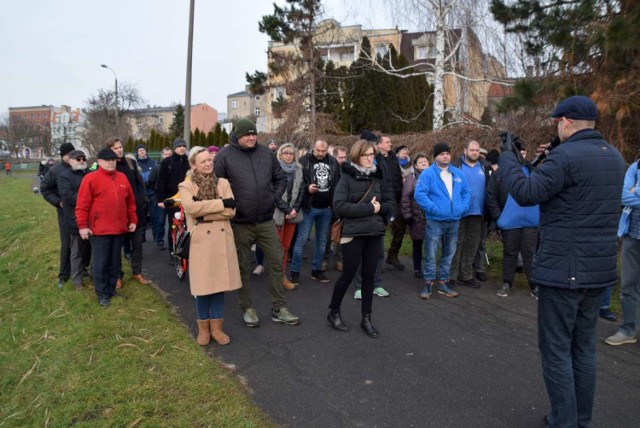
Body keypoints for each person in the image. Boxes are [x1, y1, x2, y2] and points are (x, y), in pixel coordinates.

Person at [498, 95, 625, 427]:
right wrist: (549, 154)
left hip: (564, 269)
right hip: (598, 270)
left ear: (565, 121)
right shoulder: (614, 156)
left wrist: (509, 159)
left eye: (556, 123)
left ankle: (563, 421)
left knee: (556, 351)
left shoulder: (566, 157)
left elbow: (526, 192)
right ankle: (580, 419)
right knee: (583, 349)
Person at [215, 118, 299, 327]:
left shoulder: (266, 153)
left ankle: (279, 307)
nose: (252, 137)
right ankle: (247, 308)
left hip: (265, 220)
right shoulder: (225, 155)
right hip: (240, 221)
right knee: (243, 265)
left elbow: (280, 178)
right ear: (237, 135)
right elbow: (216, 185)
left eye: (254, 134)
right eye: (247, 134)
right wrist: (230, 204)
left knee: (277, 259)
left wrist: (272, 197)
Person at [327, 139, 395, 338]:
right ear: (357, 155)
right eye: (365, 155)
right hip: (353, 234)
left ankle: (366, 318)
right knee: (348, 275)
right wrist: (369, 208)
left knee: (369, 277)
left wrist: (381, 208)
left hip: (374, 233)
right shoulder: (346, 178)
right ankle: (334, 312)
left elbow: (390, 201)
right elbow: (339, 206)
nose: (369, 158)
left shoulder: (378, 177)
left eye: (372, 155)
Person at [179, 146, 241, 346]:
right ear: (193, 164)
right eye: (203, 161)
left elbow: (231, 211)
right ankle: (203, 329)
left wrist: (204, 211)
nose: (208, 163)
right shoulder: (186, 186)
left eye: (209, 160)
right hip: (201, 242)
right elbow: (191, 208)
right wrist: (221, 204)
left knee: (219, 286)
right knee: (203, 287)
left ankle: (217, 328)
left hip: (222, 240)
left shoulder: (223, 182)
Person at [76, 148, 138, 307]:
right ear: (99, 162)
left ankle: (111, 290)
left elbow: (130, 202)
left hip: (119, 229)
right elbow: (82, 205)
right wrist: (83, 226)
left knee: (115, 262)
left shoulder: (122, 177)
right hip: (100, 230)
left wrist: (133, 220)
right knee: (101, 263)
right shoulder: (90, 179)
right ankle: (102, 294)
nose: (111, 162)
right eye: (107, 160)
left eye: (113, 159)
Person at [414, 142, 471, 299]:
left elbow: (467, 191)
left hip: (454, 220)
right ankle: (428, 284)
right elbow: (419, 195)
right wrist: (433, 209)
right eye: (442, 154)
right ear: (435, 157)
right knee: (431, 253)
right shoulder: (428, 174)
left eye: (447, 153)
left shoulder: (458, 173)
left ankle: (443, 283)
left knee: (449, 253)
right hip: (435, 221)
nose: (445, 156)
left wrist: (462, 207)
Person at [486, 148, 539, 297]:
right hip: (509, 221)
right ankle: (507, 284)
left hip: (530, 222)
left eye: (524, 153)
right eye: (519, 153)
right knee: (510, 253)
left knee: (529, 253)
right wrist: (499, 217)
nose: (522, 156)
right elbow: (491, 196)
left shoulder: (533, 171)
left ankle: (535, 286)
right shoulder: (500, 173)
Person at [289, 140, 340, 285]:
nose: (320, 153)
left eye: (323, 151)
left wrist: (334, 205)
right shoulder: (303, 161)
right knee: (302, 240)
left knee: (322, 241)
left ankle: (316, 270)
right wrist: (307, 188)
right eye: (318, 150)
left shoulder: (333, 162)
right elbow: (296, 182)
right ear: (313, 148)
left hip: (327, 208)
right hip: (308, 207)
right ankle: (295, 272)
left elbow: (337, 183)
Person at [605, 160, 640, 346]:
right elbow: (622, 196)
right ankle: (628, 329)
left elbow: (630, 194)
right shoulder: (636, 167)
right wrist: (631, 192)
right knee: (628, 286)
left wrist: (636, 190)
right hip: (632, 236)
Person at [450, 140, 493, 288]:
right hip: (459, 213)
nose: (475, 152)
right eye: (472, 150)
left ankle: (466, 275)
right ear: (465, 150)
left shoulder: (485, 167)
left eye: (477, 150)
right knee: (456, 244)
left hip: (478, 213)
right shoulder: (455, 166)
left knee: (472, 245)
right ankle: (451, 276)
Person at [107, 137, 149, 286]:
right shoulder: (109, 166)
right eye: (115, 148)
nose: (119, 150)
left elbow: (139, 183)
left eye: (120, 147)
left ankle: (137, 272)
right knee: (117, 247)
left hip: (135, 211)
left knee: (137, 244)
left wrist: (142, 200)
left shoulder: (131, 163)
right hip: (117, 214)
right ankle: (118, 275)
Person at [40, 142, 75, 288]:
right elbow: (45, 188)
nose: (71, 157)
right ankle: (64, 275)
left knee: (82, 244)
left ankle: (80, 269)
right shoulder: (55, 170)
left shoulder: (79, 167)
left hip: (81, 211)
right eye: (69, 155)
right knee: (66, 244)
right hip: (64, 212)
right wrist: (58, 202)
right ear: (63, 156)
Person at [272, 143, 305, 290]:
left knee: (285, 247)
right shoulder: (275, 169)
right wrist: (286, 210)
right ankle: (276, 276)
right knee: (277, 248)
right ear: (280, 154)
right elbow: (273, 193)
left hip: (293, 214)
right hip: (278, 213)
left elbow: (302, 190)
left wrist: (294, 210)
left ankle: (282, 276)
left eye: (291, 153)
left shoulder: (299, 170)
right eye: (285, 153)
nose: (288, 155)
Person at [58, 150, 91, 290]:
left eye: (83, 158)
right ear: (70, 161)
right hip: (74, 219)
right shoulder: (65, 177)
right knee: (76, 251)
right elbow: (68, 196)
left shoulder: (90, 174)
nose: (82, 161)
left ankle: (91, 274)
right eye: (78, 159)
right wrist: (88, 198)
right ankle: (77, 281)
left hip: (93, 219)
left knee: (91, 249)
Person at [156, 139, 190, 251]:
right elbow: (161, 181)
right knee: (173, 225)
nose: (182, 148)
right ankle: (173, 250)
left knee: (187, 225)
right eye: (179, 146)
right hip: (172, 199)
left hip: (187, 198)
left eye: (184, 146)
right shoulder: (167, 162)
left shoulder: (189, 161)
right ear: (174, 148)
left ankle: (186, 250)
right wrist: (161, 199)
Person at [400, 152, 429, 279]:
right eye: (420, 162)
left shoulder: (434, 176)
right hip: (416, 217)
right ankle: (417, 268)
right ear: (416, 166)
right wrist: (407, 215)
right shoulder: (411, 179)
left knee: (431, 245)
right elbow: (405, 198)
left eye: (425, 161)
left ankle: (429, 269)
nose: (423, 163)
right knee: (417, 244)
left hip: (431, 217)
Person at [322, 145, 348, 272]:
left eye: (344, 157)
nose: (343, 159)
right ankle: (324, 259)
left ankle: (339, 260)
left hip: (343, 207)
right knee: (326, 235)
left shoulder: (348, 170)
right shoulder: (329, 168)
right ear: (334, 157)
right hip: (329, 206)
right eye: (340, 157)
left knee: (341, 235)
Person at [148, 146, 172, 250]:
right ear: (162, 155)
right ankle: (159, 240)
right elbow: (151, 181)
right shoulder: (157, 167)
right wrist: (156, 193)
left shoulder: (175, 167)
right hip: (160, 198)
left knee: (174, 221)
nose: (167, 156)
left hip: (172, 198)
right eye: (165, 154)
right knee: (160, 220)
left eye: (169, 154)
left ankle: (173, 240)